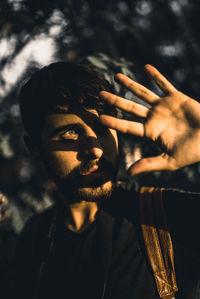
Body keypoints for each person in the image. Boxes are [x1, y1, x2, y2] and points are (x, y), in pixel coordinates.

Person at [14, 61, 200, 299]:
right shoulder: (34, 236)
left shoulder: (167, 215)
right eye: (70, 133)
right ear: (34, 147)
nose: (95, 150)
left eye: (102, 128)